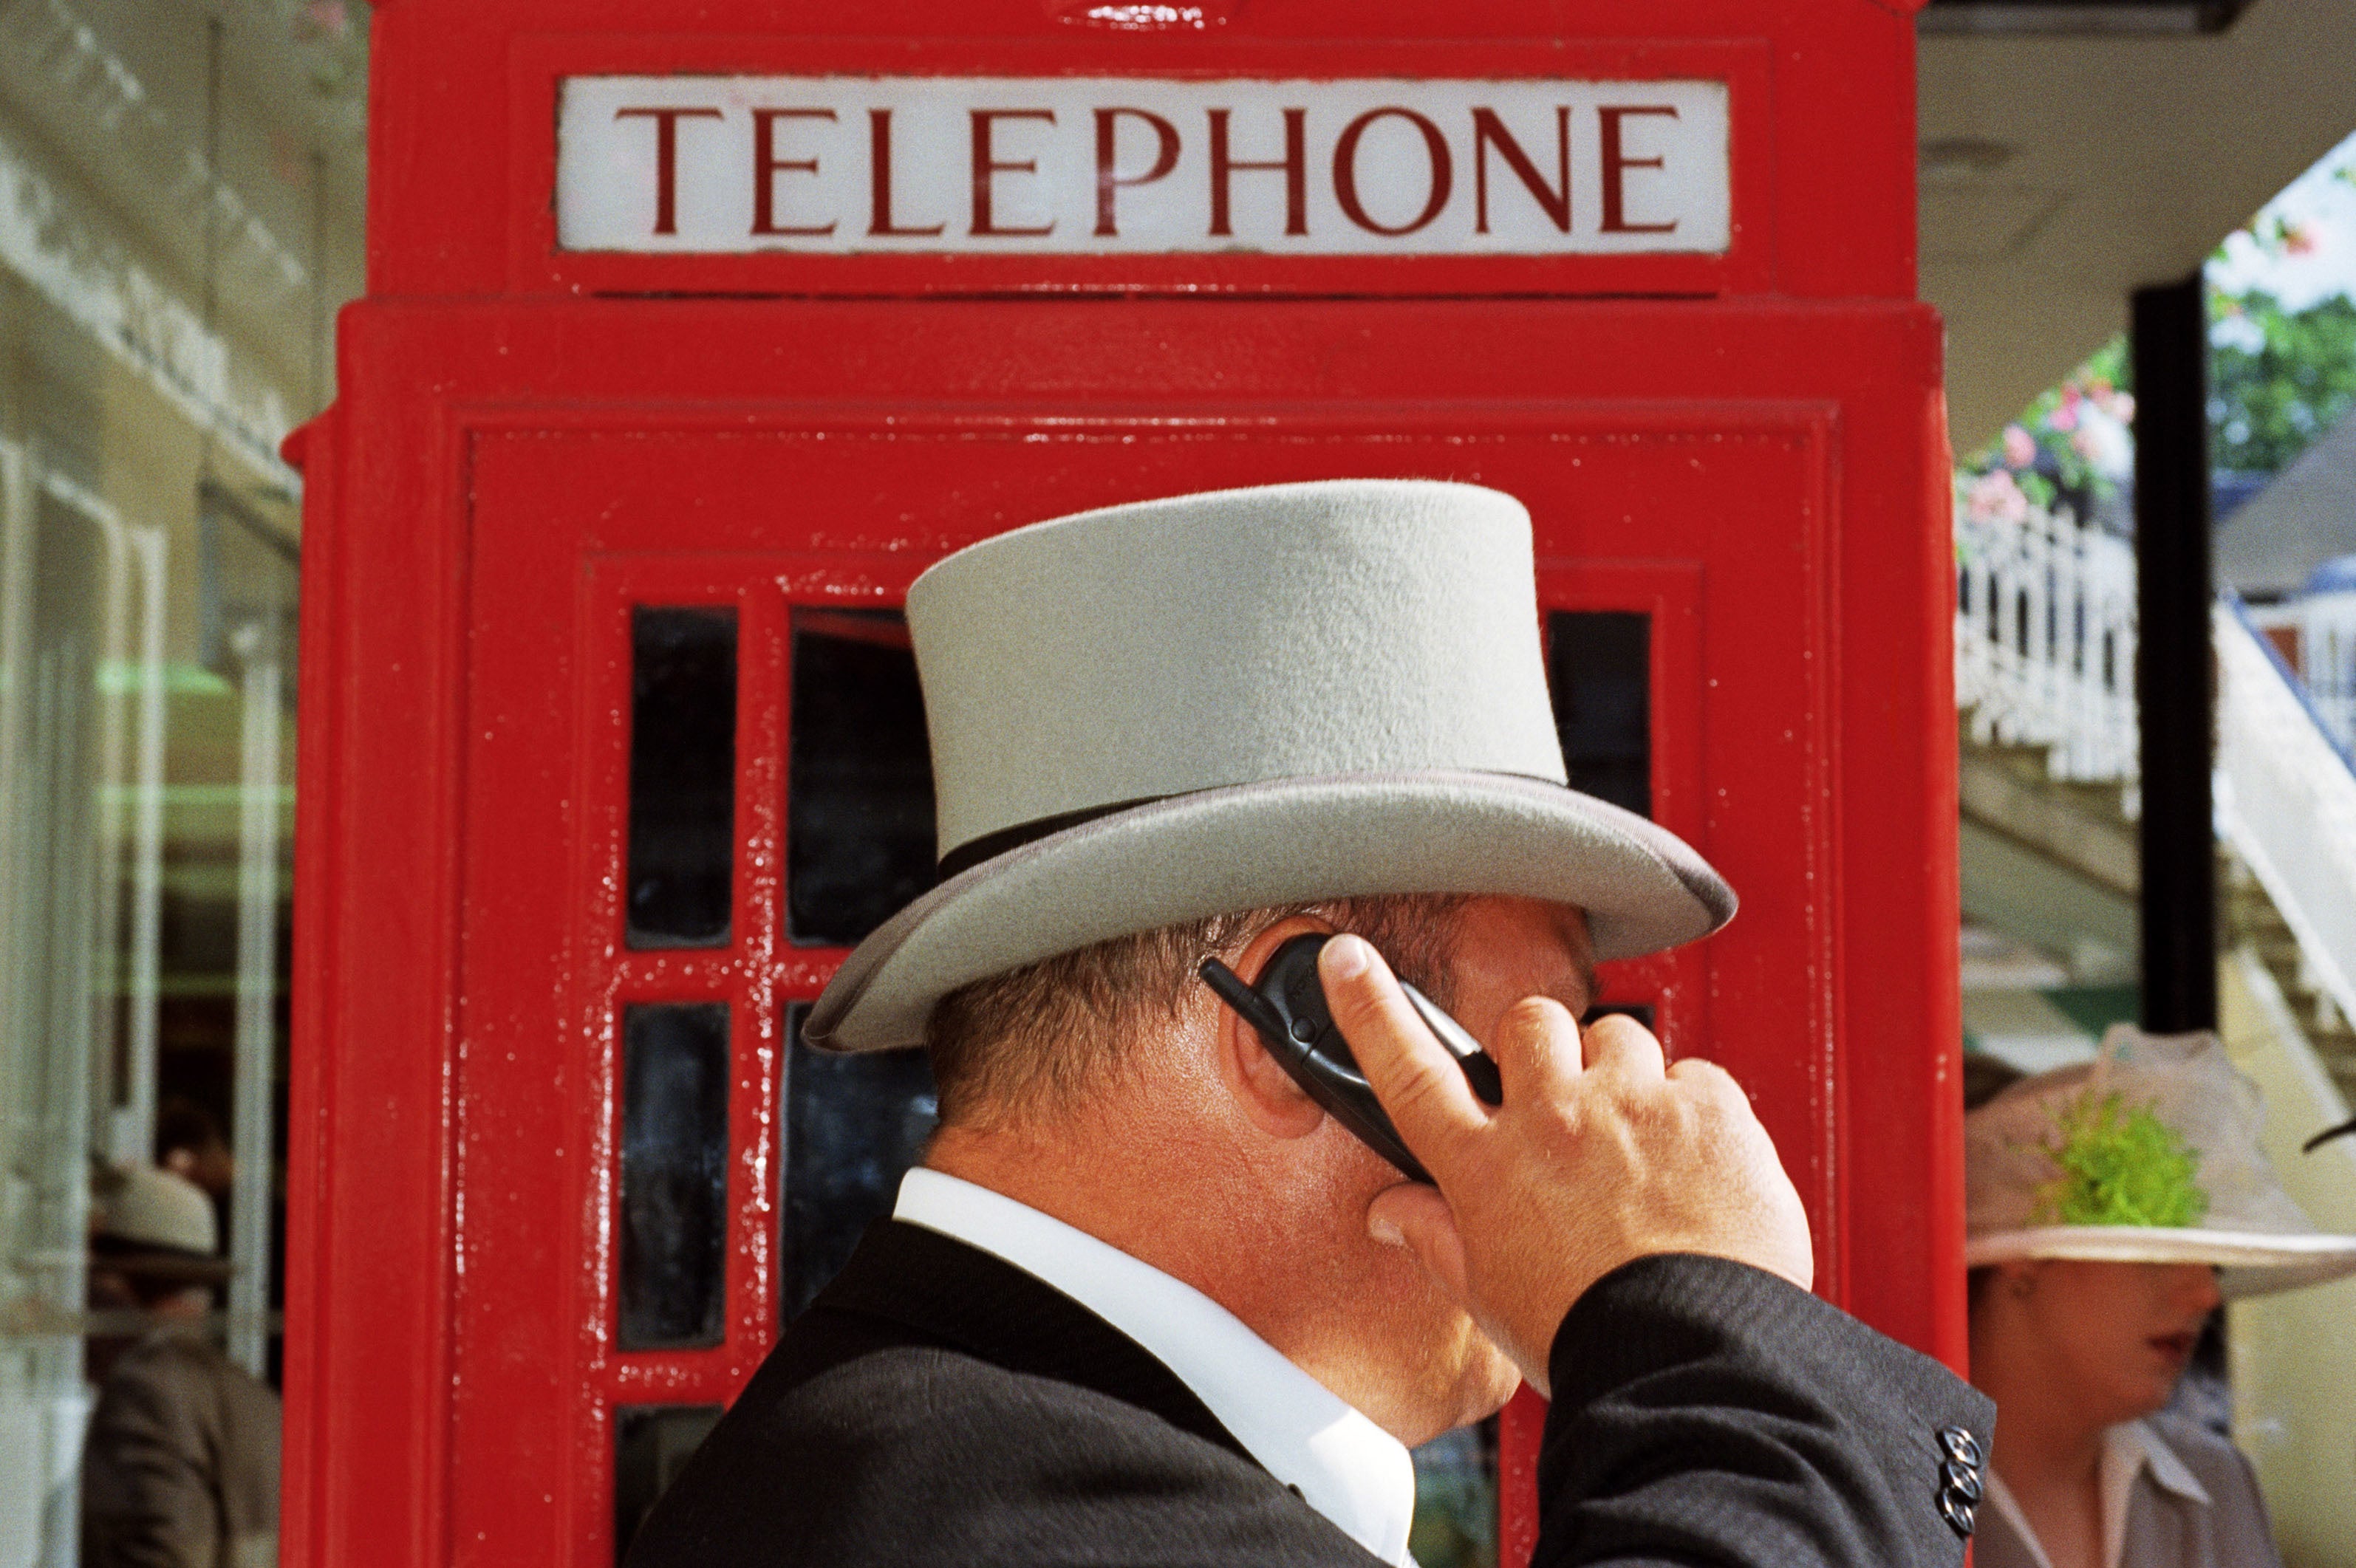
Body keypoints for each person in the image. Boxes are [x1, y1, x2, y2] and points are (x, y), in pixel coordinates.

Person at [626, 479, 1993, 1567]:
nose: (1590, 1101)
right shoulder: (1004, 1514)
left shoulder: (950, 1443)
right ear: (1314, 1024)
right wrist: (1713, 1332)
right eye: (1548, 1035)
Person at [1964, 1027, 2356, 1568]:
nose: (2202, 1293)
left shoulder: (2216, 1484)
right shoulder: (1889, 1484)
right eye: (2152, 1252)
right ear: (2021, 1254)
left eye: (2208, 1260)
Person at [81, 1165, 281, 1568]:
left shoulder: (144, 1389)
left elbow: (163, 1555)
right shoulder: (252, 1395)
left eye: (93, 1282)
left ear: (118, 1284)